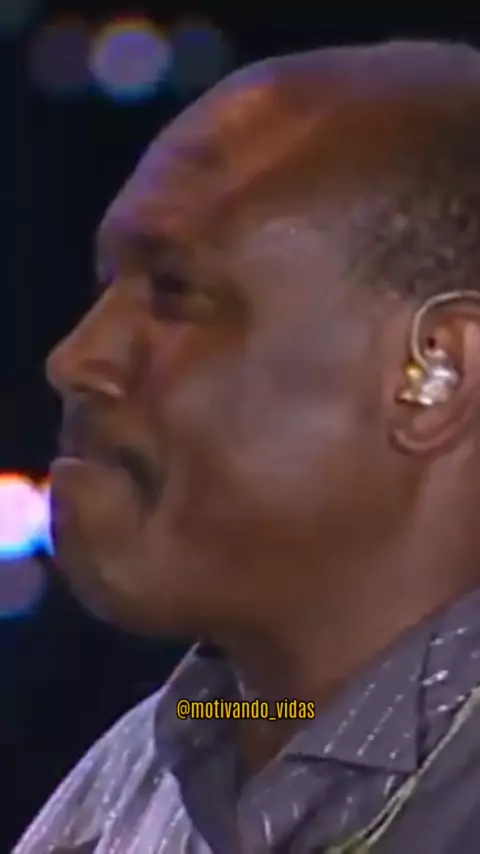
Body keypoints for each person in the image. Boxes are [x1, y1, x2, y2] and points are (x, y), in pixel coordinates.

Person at [13, 38, 480, 853]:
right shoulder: (135, 780)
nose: (76, 359)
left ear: (436, 371)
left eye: (174, 293)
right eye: (107, 285)